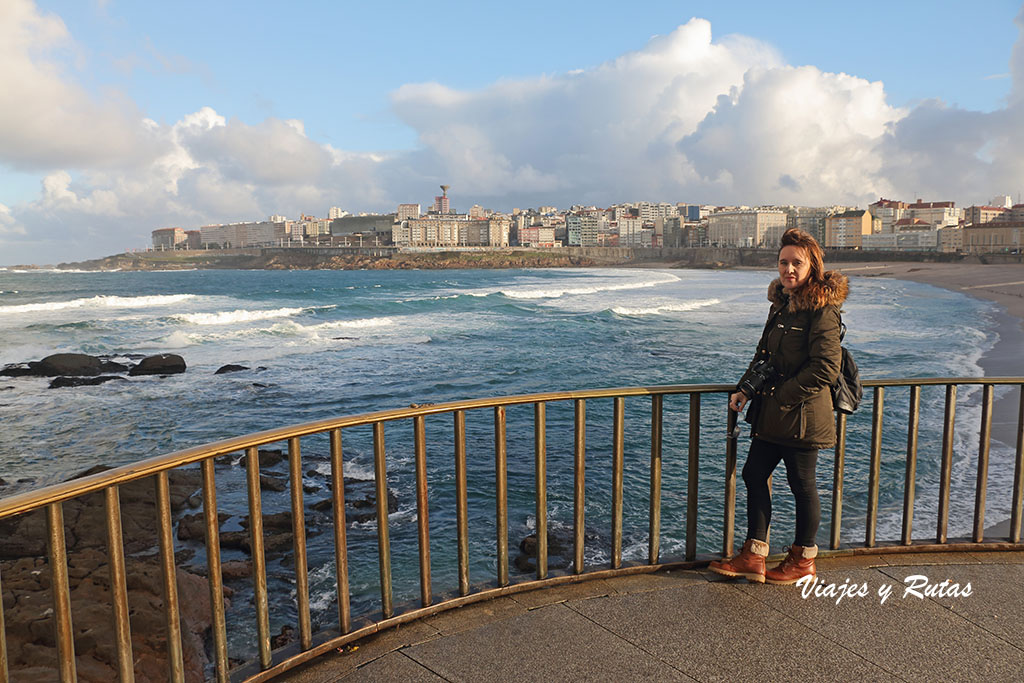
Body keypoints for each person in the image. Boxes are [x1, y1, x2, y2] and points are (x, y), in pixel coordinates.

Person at [709, 228, 848, 585]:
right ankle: (754, 556)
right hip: (773, 413)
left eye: (796, 263)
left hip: (802, 416)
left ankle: (803, 559)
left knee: (802, 484)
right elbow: (763, 355)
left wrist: (783, 397)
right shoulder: (782, 304)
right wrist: (745, 390)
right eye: (784, 262)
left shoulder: (823, 310)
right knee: (754, 475)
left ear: (812, 265)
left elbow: (826, 368)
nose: (788, 269)